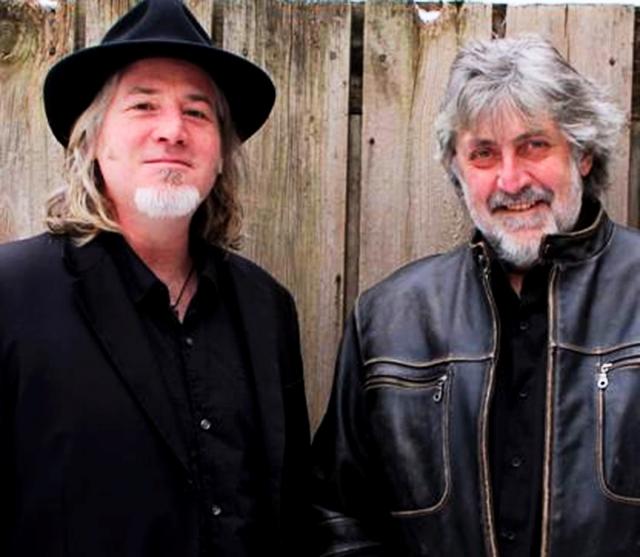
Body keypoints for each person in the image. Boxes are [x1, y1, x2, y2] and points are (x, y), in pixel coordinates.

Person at [0, 1, 309, 556]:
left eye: (197, 113)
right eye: (143, 105)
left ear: (221, 154)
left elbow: (289, 512)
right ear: (92, 141)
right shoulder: (12, 295)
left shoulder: (266, 310)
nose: (172, 131)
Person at [310, 35, 638, 556]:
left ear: (582, 154)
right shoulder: (389, 320)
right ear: (458, 172)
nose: (511, 180)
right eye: (483, 153)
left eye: (534, 145)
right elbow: (339, 517)